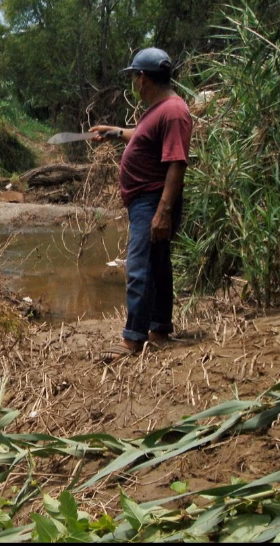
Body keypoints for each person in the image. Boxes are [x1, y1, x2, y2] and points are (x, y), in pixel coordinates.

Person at [89, 47, 192, 362]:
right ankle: (158, 329)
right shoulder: (161, 109)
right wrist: (115, 132)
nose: (134, 83)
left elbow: (177, 163)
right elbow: (144, 137)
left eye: (134, 76)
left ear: (143, 77)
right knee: (158, 266)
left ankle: (133, 339)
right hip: (147, 202)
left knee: (138, 268)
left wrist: (162, 212)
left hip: (153, 202)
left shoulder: (174, 111)